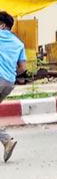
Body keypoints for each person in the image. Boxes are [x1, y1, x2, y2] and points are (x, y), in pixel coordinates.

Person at [0, 11, 25, 161]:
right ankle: (6, 140)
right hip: (9, 82)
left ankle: (6, 140)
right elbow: (22, 67)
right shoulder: (18, 43)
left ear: (2, 25)